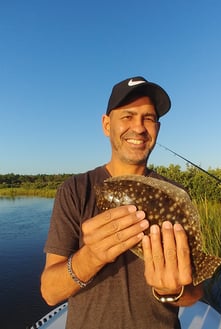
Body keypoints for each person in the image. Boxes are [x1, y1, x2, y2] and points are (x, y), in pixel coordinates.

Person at [41, 76, 203, 329]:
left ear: (157, 128)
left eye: (148, 118)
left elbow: (195, 292)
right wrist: (91, 256)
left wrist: (172, 291)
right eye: (127, 116)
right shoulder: (74, 190)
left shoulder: (175, 195)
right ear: (107, 125)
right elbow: (50, 293)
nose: (138, 127)